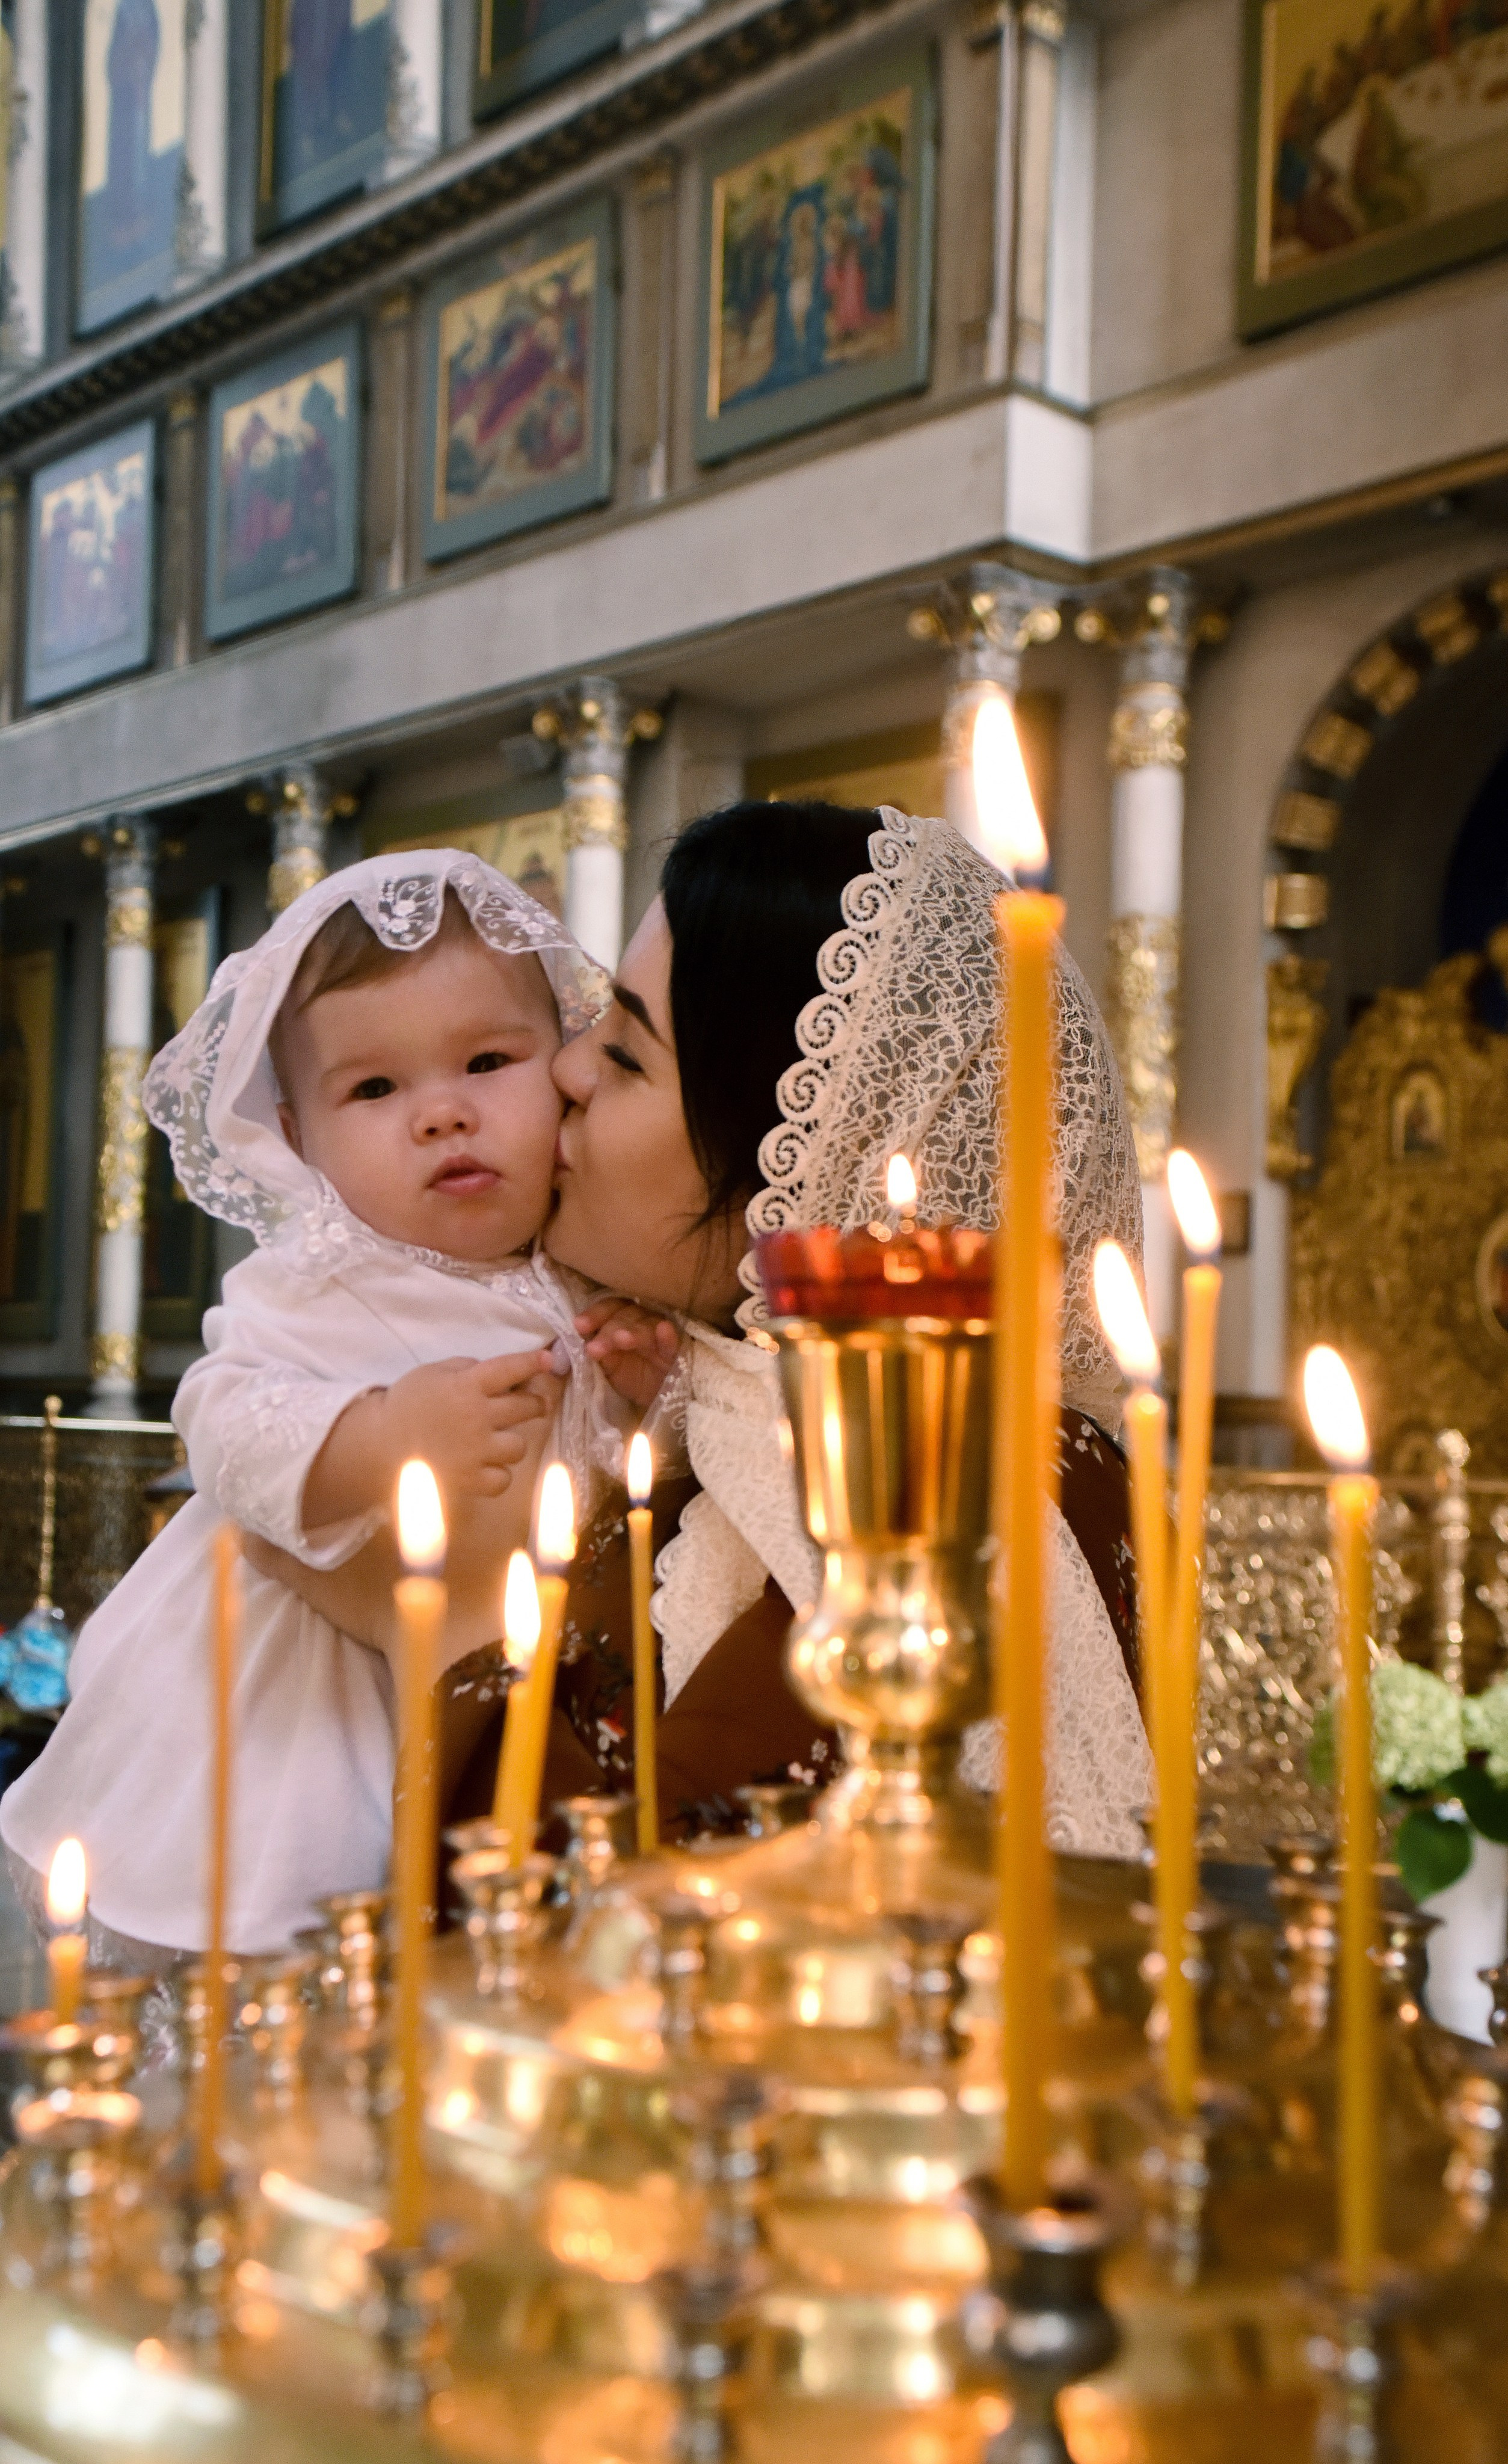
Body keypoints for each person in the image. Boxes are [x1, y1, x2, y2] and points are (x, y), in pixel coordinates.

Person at [253, 804, 1154, 1861]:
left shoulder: (938, 1499)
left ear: (810, 1157)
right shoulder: (706, 1405)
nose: (567, 1073)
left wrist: (431, 1618)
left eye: (628, 1056)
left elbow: (634, 1922)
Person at [0, 849, 657, 1964]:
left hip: (484, 1682)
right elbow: (221, 1418)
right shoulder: (318, 1277)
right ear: (298, 1139)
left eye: (489, 1060)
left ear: (566, 1065)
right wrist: (377, 1440)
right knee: (281, 1949)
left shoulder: (587, 1271)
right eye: (375, 1088)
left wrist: (639, 1396)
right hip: (286, 1698)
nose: (443, 1114)